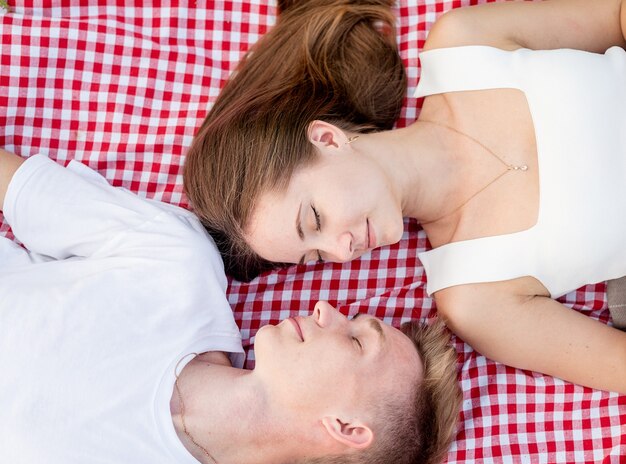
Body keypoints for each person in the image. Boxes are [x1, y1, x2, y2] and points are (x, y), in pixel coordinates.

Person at [0, 149, 461, 464]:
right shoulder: (179, 262)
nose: (326, 309)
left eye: (357, 340)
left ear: (345, 428)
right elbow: (21, 190)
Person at [183, 0, 626, 394]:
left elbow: (615, 16)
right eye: (315, 257)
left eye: (315, 219)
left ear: (327, 138)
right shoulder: (474, 295)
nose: (342, 249)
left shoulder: (464, 46)